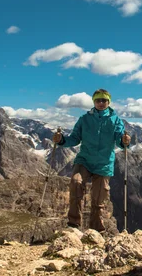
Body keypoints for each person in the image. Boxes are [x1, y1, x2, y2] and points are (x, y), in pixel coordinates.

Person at [52, 89, 131, 231]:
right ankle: (73, 224)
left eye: (104, 100)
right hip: (84, 160)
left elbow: (120, 141)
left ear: (109, 102)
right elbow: (75, 138)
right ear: (94, 102)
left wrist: (124, 141)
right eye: (98, 100)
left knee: (99, 198)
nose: (101, 103)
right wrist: (62, 140)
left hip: (104, 163)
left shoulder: (116, 121)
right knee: (76, 183)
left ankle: (96, 230)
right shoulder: (84, 119)